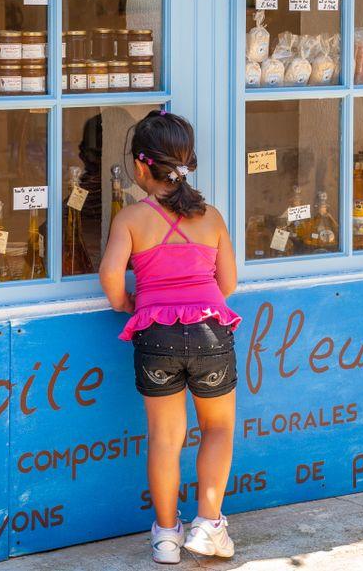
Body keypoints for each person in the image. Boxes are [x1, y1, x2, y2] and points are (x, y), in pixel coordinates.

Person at [99, 110, 241, 564]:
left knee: (165, 436)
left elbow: (109, 277)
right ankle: (208, 524)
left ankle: (165, 537)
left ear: (141, 167)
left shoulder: (131, 218)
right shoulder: (212, 217)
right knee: (217, 428)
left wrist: (127, 302)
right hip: (210, 334)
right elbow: (229, 284)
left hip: (155, 336)